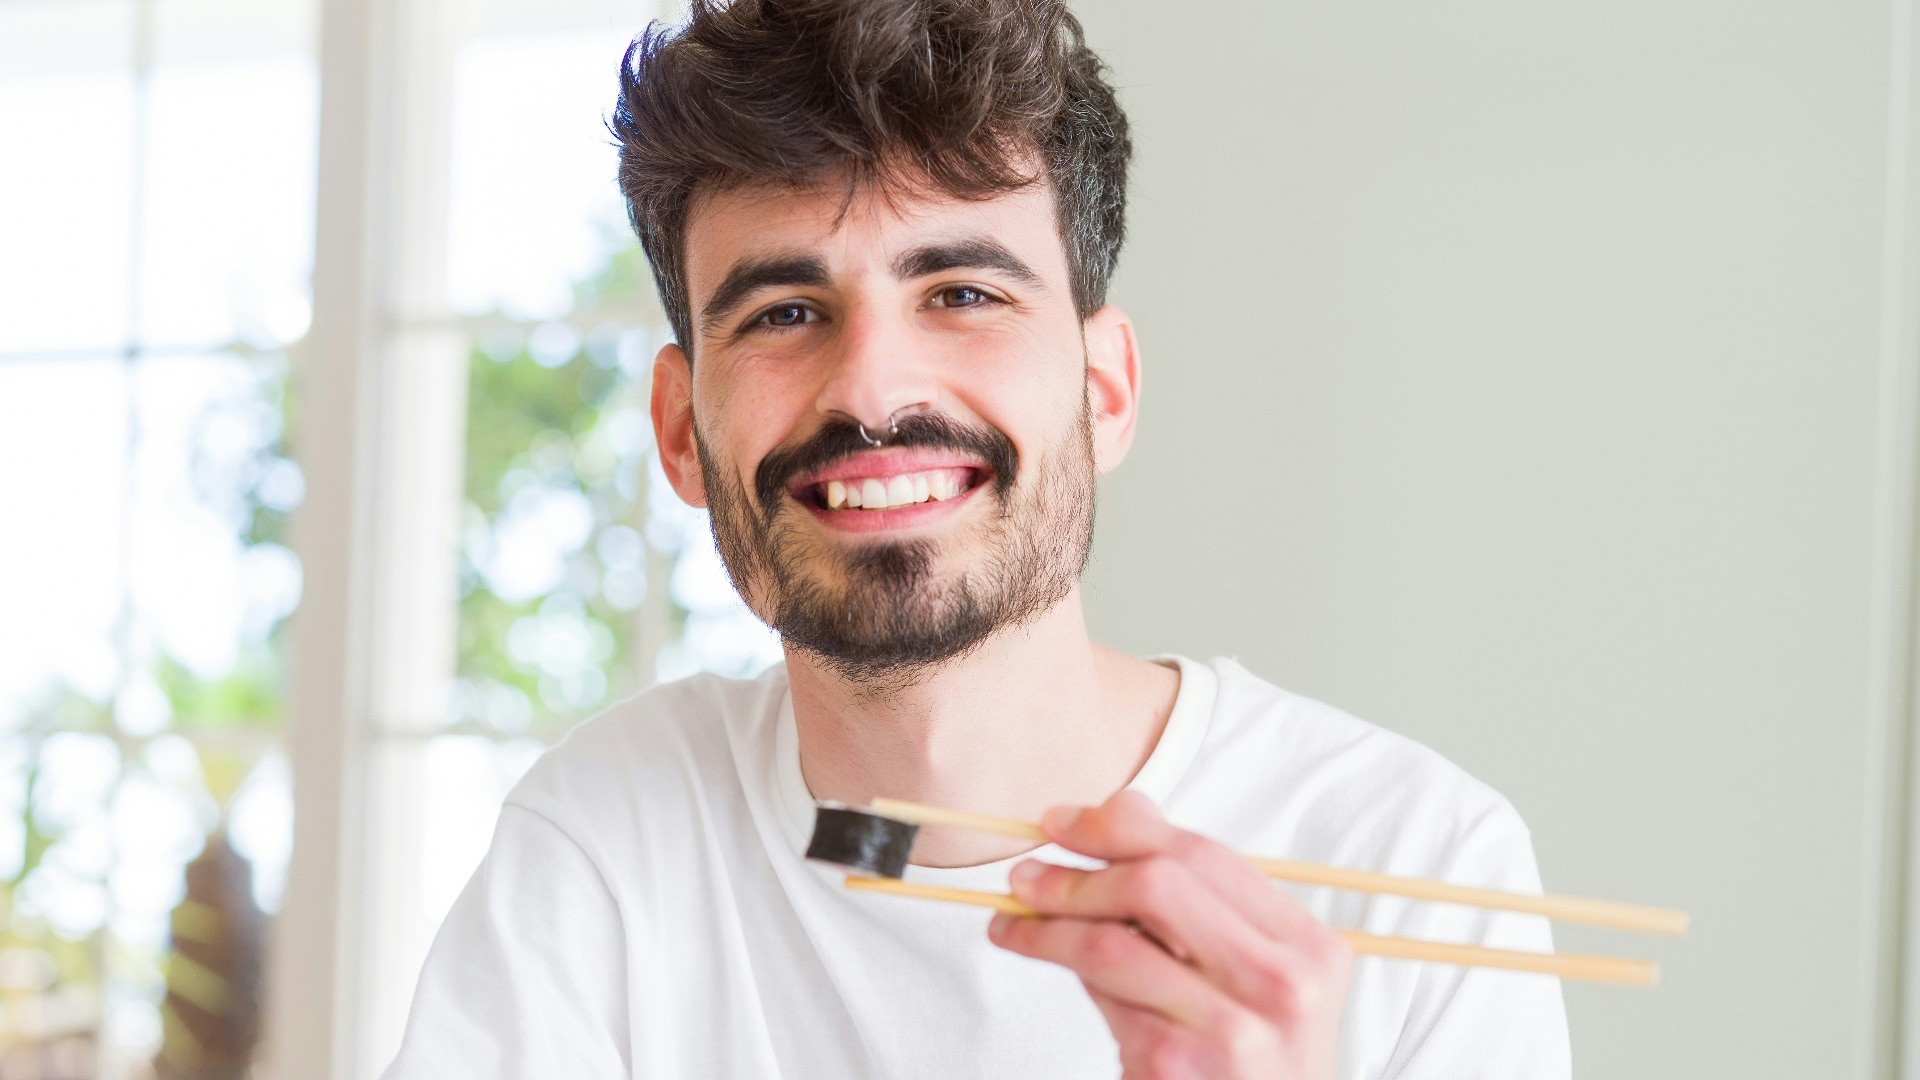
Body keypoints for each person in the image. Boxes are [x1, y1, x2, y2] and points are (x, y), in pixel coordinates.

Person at [383, 0, 1571, 1076]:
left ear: (1103, 394)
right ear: (680, 436)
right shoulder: (610, 839)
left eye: (963, 292)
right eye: (785, 313)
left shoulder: (1423, 866)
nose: (872, 390)